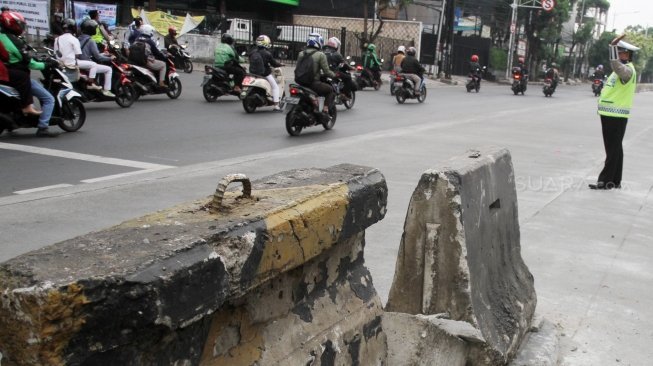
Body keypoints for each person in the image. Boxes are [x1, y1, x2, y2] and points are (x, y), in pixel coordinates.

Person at [590, 34, 639, 190]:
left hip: (615, 115)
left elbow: (616, 66)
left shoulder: (627, 71)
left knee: (612, 149)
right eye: (618, 52)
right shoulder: (620, 71)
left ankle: (605, 181)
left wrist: (611, 47)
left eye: (621, 52)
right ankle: (615, 180)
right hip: (610, 114)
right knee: (616, 148)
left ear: (628, 55)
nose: (619, 54)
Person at [0, 11, 58, 137]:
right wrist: (47, 65)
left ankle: (13, 121)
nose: (22, 27)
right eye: (20, 24)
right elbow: (29, 63)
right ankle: (42, 127)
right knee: (49, 99)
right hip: (13, 72)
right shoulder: (13, 41)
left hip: (4, 72)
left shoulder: (3, 36)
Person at [55, 18, 107, 93]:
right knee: (94, 64)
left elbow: (56, 53)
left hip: (60, 63)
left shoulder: (57, 39)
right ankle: (90, 83)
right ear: (73, 28)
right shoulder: (74, 39)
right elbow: (78, 54)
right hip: (71, 64)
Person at [0, 18, 39, 116]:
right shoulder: (10, 39)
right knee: (23, 76)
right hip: (4, 69)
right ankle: (27, 106)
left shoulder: (7, 37)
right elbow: (6, 55)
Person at [296, 32, 335, 118]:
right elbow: (326, 72)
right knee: (330, 90)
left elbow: (298, 68)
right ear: (319, 42)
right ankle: (325, 110)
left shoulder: (301, 53)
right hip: (312, 83)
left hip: (300, 82)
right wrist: (334, 75)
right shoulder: (321, 55)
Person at [78, 19, 114, 96]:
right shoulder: (91, 41)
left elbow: (93, 53)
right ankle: (107, 90)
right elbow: (98, 57)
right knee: (108, 69)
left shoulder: (78, 38)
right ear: (91, 30)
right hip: (87, 64)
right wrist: (109, 58)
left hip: (78, 63)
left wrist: (104, 54)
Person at [251, 34, 284, 111]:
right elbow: (274, 64)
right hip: (264, 74)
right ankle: (276, 105)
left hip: (253, 73)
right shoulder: (267, 53)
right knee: (275, 87)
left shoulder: (253, 52)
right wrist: (281, 64)